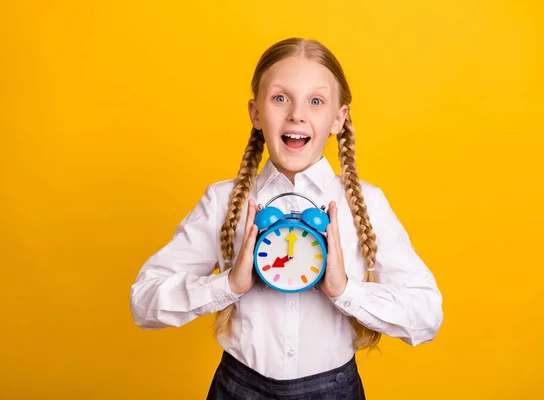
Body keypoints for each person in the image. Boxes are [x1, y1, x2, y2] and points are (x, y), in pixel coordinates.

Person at [130, 37, 444, 399]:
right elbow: (143, 302)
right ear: (256, 113)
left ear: (338, 118)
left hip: (334, 390)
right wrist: (228, 285)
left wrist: (345, 290)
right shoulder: (223, 200)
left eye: (316, 101)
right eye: (280, 98)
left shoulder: (367, 204)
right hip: (239, 388)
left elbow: (427, 316)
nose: (297, 114)